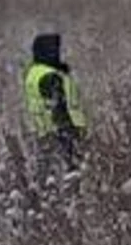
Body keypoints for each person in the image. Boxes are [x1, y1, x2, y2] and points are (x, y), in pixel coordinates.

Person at [22, 31, 88, 175]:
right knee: (73, 174)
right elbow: (58, 107)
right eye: (55, 50)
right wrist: (71, 136)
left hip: (45, 133)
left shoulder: (34, 73)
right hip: (62, 134)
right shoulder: (50, 76)